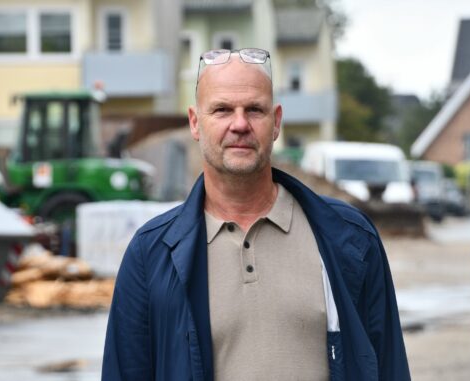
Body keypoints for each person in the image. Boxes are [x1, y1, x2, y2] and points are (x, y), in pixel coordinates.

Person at [102, 48, 410, 380]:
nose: (239, 124)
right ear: (195, 122)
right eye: (222, 110)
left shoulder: (349, 239)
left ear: (276, 122)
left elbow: (389, 367)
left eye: (254, 109)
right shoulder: (151, 255)